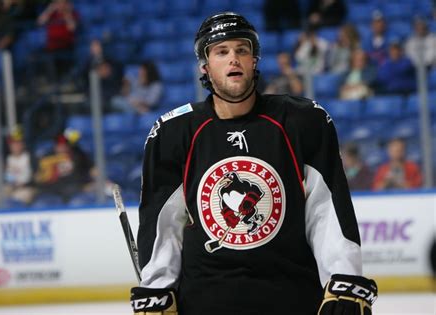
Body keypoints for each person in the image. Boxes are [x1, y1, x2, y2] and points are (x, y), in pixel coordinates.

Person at [130, 12, 378, 315]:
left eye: (242, 50)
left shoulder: (302, 120)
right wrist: (157, 288)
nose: (233, 58)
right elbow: (163, 221)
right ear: (205, 66)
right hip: (206, 300)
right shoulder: (173, 132)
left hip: (292, 296)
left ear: (254, 61)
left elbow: (325, 209)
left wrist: (344, 277)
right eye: (222, 51)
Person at [0, 127, 36, 208]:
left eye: (18, 143)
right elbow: (5, 176)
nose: (15, 146)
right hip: (10, 186)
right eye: (13, 144)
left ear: (22, 144)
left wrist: (26, 183)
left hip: (27, 187)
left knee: (17, 198)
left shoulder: (30, 157)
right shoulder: (7, 158)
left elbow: (37, 177)